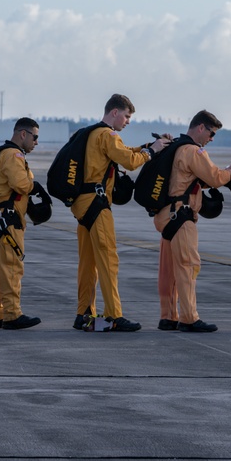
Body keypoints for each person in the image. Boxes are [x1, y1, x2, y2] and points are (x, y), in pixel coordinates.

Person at [72, 94, 168, 331]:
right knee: (108, 260)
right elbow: (130, 161)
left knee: (88, 262)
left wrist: (150, 146)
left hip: (82, 204)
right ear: (114, 113)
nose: (127, 122)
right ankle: (114, 315)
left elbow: (125, 151)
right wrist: (152, 152)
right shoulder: (107, 134)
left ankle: (84, 313)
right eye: (126, 116)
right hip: (97, 204)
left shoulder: (93, 134)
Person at [154, 110, 231, 333]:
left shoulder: (175, 147)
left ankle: (168, 316)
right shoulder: (193, 151)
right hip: (182, 216)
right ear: (201, 128)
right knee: (188, 267)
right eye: (211, 134)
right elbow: (215, 178)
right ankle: (189, 318)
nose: (211, 139)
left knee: (169, 271)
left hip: (166, 215)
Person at [0, 118, 43, 329]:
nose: (36, 142)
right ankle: (12, 314)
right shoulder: (13, 155)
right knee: (11, 269)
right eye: (35, 137)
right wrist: (36, 186)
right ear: (23, 134)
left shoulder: (4, 153)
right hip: (7, 221)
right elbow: (21, 183)